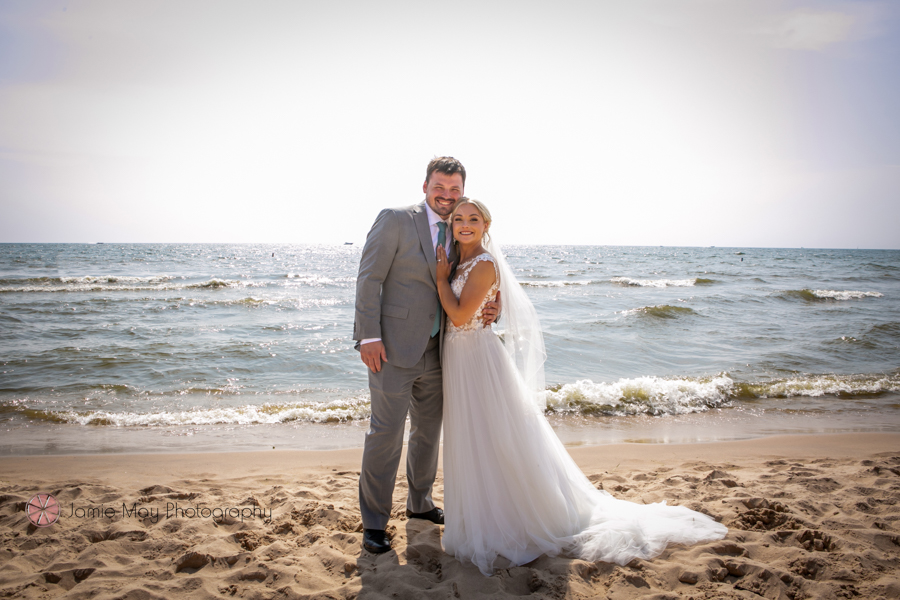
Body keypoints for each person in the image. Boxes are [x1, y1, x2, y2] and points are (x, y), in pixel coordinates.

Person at [435, 198, 728, 576]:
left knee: (492, 438)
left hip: (477, 361)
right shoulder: (461, 260)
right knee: (474, 439)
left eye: (473, 219)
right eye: (458, 219)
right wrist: (483, 297)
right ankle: (481, 514)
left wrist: (442, 279)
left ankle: (508, 519)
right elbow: (479, 305)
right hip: (460, 359)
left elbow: (459, 315)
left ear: (487, 225)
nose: (464, 224)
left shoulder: (484, 263)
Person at [353, 157, 498, 554]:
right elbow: (370, 279)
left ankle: (420, 505)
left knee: (427, 434)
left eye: (454, 190)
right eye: (440, 187)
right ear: (425, 185)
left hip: (441, 349)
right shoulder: (395, 219)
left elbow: (473, 276)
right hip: (392, 348)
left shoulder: (459, 227)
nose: (447, 196)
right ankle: (375, 523)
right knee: (385, 434)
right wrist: (368, 336)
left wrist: (493, 305)